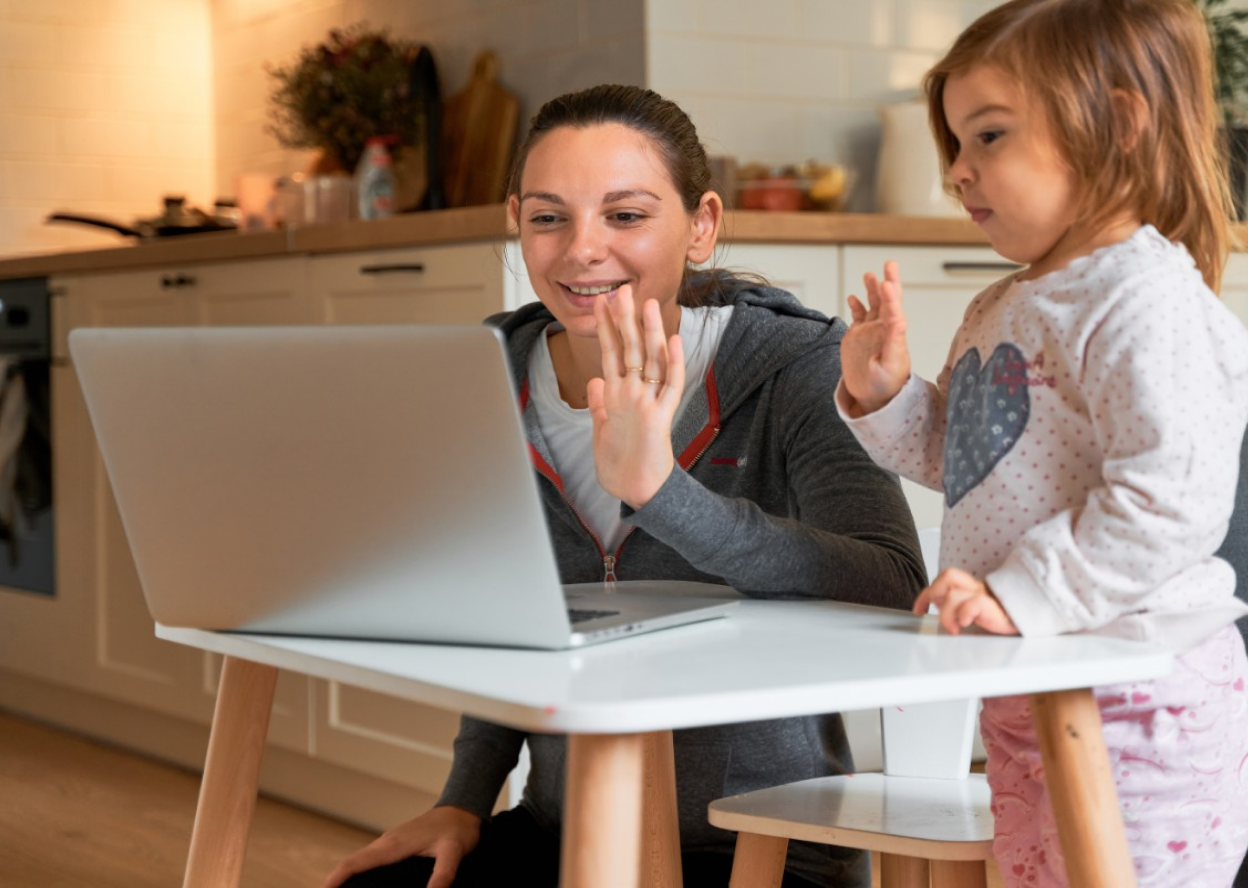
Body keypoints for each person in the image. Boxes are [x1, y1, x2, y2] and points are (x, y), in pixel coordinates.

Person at [321, 84, 926, 888]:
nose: (580, 250)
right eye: (548, 217)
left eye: (626, 215)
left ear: (701, 224)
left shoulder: (796, 367)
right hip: (564, 834)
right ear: (517, 223)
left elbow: (891, 583)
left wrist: (663, 493)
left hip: (764, 849)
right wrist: (462, 802)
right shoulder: (485, 377)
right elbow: (510, 620)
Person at [836, 1, 1248, 885]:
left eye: (988, 137)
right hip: (1032, 682)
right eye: (953, 143)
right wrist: (886, 397)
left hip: (1139, 699)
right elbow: (966, 463)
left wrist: (1024, 592)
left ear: (1120, 125)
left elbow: (1170, 501)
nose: (957, 171)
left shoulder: (1145, 301)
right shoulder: (1006, 303)